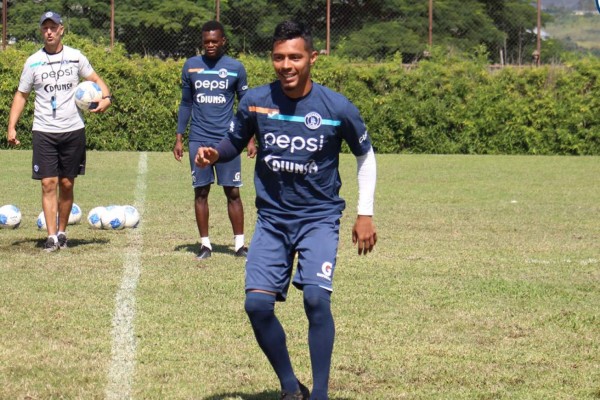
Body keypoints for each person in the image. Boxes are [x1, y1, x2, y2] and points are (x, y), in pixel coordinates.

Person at [195, 20, 377, 400]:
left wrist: (365, 213)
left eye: (295, 57)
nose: (287, 65)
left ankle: (322, 393)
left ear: (312, 58)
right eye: (279, 57)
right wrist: (216, 153)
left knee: (315, 298)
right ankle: (290, 387)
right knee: (257, 305)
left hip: (319, 219)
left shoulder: (336, 106)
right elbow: (233, 141)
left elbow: (365, 156)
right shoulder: (256, 100)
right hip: (273, 220)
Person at [7, 11, 112, 252]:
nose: (49, 31)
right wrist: (11, 126)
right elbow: (21, 95)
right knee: (48, 183)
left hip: (73, 129)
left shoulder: (76, 57)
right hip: (43, 130)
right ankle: (51, 237)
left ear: (61, 29)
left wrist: (107, 97)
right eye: (45, 28)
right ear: (41, 31)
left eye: (53, 27)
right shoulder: (33, 62)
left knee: (66, 183)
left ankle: (63, 232)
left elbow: (96, 78)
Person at [174, 20, 256, 260]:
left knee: (233, 192)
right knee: (201, 192)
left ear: (223, 41)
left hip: (228, 140)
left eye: (214, 41)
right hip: (198, 138)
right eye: (206, 41)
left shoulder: (235, 68)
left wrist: (249, 138)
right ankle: (205, 245)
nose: (210, 45)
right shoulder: (191, 66)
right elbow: (186, 103)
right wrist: (179, 137)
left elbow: (246, 106)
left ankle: (240, 246)